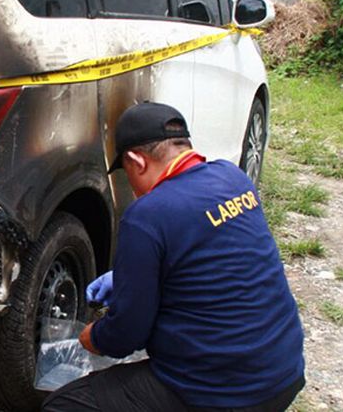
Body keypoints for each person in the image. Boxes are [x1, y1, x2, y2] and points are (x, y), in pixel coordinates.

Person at [42, 102, 305, 412]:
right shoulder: (233, 179)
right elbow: (213, 258)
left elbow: (126, 335)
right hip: (283, 374)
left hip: (223, 393)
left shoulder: (146, 216)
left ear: (137, 161)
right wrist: (130, 277)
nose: (135, 190)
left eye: (128, 176)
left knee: (63, 405)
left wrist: (93, 337)